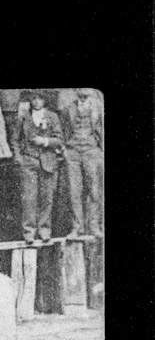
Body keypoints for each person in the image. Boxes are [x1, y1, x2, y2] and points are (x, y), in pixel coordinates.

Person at [15, 89, 64, 242]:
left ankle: (45, 231)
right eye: (34, 99)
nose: (36, 102)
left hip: (48, 162)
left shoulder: (52, 117)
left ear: (44, 101)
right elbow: (15, 140)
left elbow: (59, 139)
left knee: (46, 198)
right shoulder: (23, 117)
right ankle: (29, 232)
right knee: (29, 198)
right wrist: (19, 159)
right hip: (29, 161)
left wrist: (45, 141)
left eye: (39, 99)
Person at [60, 88, 104, 237]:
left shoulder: (98, 107)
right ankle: (77, 227)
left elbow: (101, 131)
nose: (83, 91)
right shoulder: (69, 108)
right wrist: (65, 150)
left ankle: (93, 225)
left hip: (92, 151)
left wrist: (101, 151)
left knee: (94, 190)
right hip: (73, 152)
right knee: (74, 191)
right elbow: (63, 131)